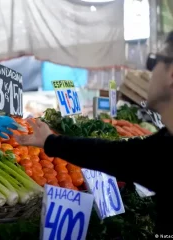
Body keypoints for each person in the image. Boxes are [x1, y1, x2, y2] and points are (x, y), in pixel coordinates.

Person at [14, 32, 173, 234]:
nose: (148, 72)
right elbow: (112, 154)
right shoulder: (162, 146)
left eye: (153, 62)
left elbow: (113, 155)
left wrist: (51, 142)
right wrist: (50, 141)